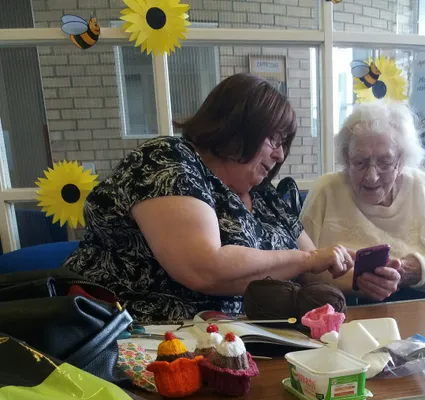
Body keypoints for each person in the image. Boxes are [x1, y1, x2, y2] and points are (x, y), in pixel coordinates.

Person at [64, 73, 354, 322]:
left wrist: (365, 274)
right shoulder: (168, 160)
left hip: (241, 345)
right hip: (141, 344)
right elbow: (204, 269)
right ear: (239, 126)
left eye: (284, 145)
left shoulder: (265, 195)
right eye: (275, 140)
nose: (280, 154)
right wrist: (307, 259)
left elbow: (313, 269)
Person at [300, 101, 425, 301]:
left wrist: (419, 270)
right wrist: (356, 282)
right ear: (346, 157)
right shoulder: (326, 190)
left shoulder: (419, 185)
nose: (372, 176)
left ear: (401, 161)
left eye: (385, 163)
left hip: (422, 306)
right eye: (360, 162)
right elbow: (300, 269)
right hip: (349, 311)